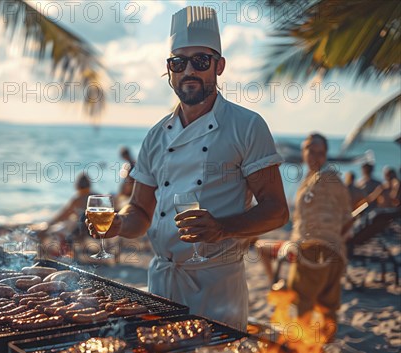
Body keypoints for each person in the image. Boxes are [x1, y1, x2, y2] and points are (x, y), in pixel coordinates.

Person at [86, 6, 288, 330]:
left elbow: (277, 211)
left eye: (201, 61)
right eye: (178, 62)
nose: (188, 71)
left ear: (219, 66)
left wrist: (221, 228)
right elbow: (139, 211)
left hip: (217, 289)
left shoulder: (246, 126)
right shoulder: (155, 136)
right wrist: (117, 226)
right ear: (169, 71)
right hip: (162, 287)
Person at [287, 133, 353, 332]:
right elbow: (347, 218)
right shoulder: (332, 179)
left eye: (320, 153)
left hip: (312, 250)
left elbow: (307, 221)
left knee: (301, 304)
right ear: (303, 152)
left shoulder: (323, 179)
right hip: (336, 252)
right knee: (328, 307)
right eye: (311, 151)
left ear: (325, 155)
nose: (315, 156)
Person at [39, 172, 95, 256]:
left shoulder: (78, 199)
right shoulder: (97, 197)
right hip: (93, 231)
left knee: (52, 233)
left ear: (77, 185)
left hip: (80, 232)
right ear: (90, 185)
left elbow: (63, 216)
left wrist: (48, 225)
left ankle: (51, 257)